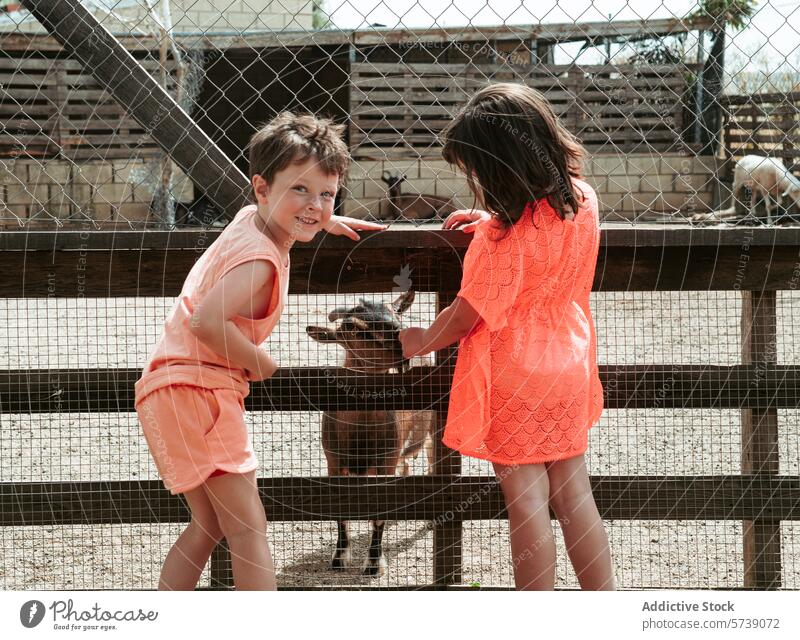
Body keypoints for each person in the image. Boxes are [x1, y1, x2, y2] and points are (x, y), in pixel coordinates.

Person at [134, 112, 385, 590]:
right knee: (249, 529)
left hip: (169, 388)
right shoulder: (260, 261)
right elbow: (206, 321)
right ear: (261, 187)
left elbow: (275, 213)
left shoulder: (251, 221)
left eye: (326, 194)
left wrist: (321, 219)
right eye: (300, 191)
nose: (314, 204)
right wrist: (263, 364)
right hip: (201, 390)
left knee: (210, 525)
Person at [399, 83, 615, 590]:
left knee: (527, 502)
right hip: (569, 361)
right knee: (573, 492)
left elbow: (465, 314)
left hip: (516, 374)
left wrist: (419, 342)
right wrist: (491, 219)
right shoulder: (584, 200)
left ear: (500, 170)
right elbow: (540, 233)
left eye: (477, 172)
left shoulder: (501, 241)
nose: (474, 181)